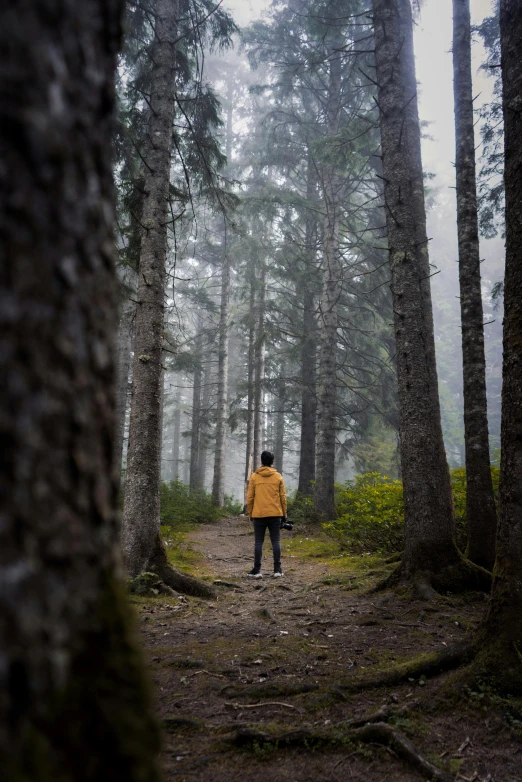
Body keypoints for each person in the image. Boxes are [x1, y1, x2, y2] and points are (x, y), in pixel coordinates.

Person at [246, 450, 287, 578]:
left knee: (258, 542)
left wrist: (250, 513)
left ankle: (257, 571)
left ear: (262, 461)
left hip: (258, 514)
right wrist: (284, 513)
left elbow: (250, 497)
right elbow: (283, 497)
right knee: (276, 541)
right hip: (275, 513)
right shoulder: (278, 476)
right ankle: (277, 570)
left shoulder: (254, 476)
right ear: (272, 461)